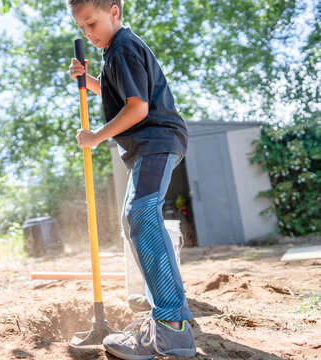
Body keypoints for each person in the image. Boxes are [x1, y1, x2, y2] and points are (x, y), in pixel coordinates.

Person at [67, 0, 196, 358]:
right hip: (150, 144)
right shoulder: (115, 53)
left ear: (114, 12)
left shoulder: (122, 47)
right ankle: (169, 317)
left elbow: (137, 108)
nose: (87, 32)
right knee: (136, 216)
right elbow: (118, 95)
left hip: (156, 140)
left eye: (91, 22)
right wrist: (88, 81)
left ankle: (172, 324)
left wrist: (96, 136)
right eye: (81, 27)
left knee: (140, 213)